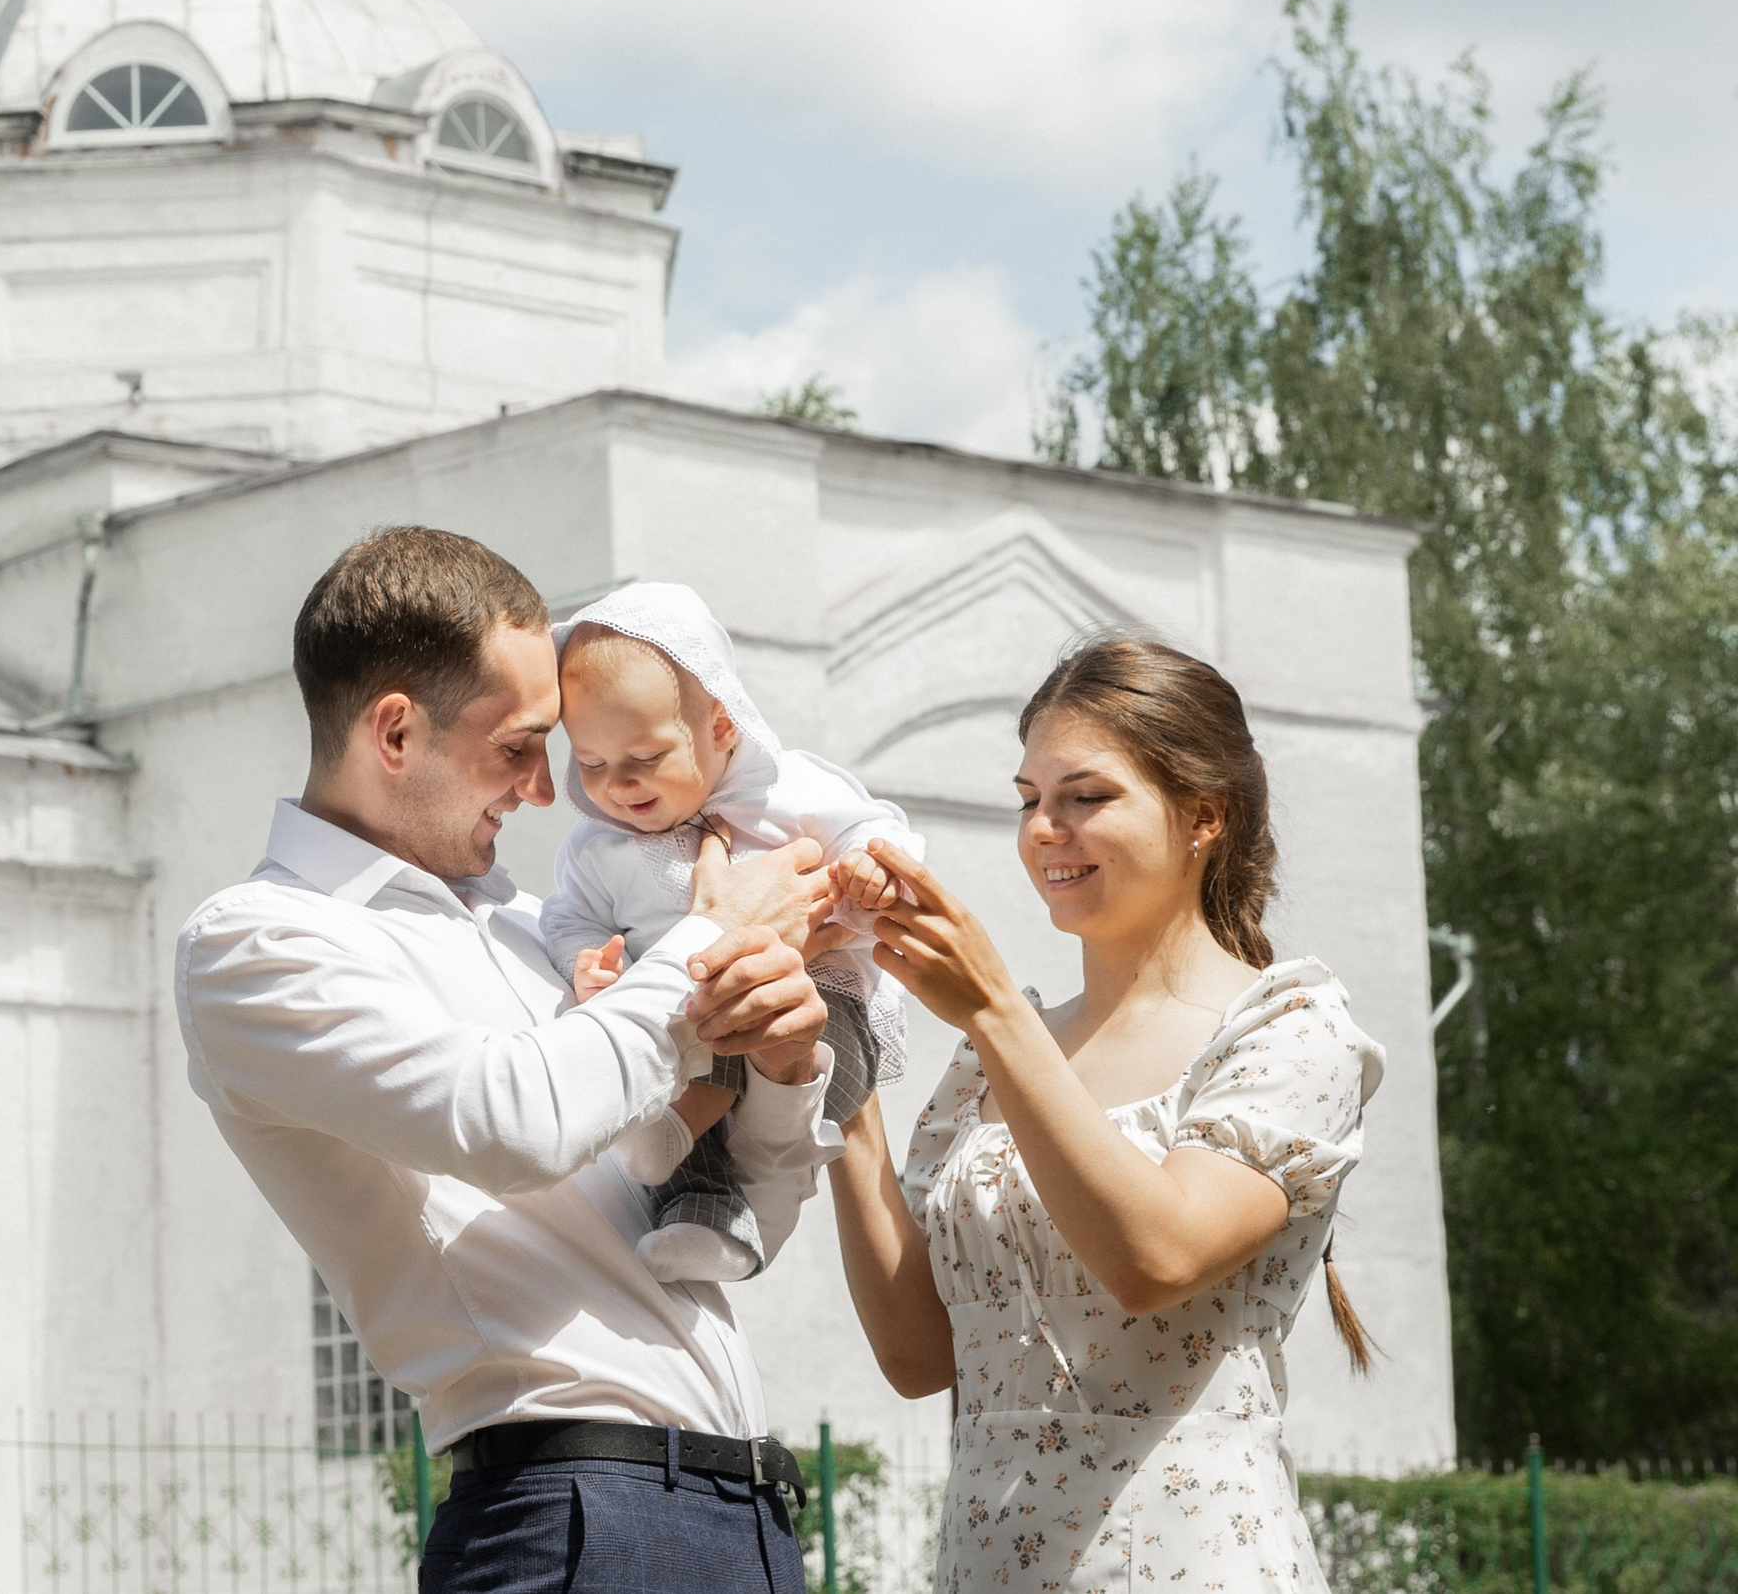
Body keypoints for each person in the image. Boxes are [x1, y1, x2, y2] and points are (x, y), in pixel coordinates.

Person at [177, 528, 847, 1593]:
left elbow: (736, 1207)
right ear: (395, 731)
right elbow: (509, 1124)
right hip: (572, 1517)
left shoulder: (540, 929)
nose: (548, 790)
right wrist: (708, 944)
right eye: (520, 745)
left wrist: (779, 1056)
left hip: (737, 1518)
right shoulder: (258, 944)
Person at [826, 633, 1385, 1591]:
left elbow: (1153, 1258)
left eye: (1086, 797)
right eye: (1028, 801)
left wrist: (996, 1011)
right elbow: (918, 1355)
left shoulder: (1290, 1029)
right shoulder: (990, 1058)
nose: (1046, 827)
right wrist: (841, 1070)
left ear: (1205, 815)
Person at [539, 583, 922, 1285]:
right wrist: (586, 965)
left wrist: (870, 867)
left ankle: (676, 1128)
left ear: (721, 727)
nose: (618, 784)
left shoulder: (788, 792)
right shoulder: (597, 848)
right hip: (692, 1024)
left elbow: (879, 829)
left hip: (826, 1021)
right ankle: (709, 1221)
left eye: (645, 758)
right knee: (690, 1016)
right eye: (591, 764)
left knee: (722, 1006)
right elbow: (569, 919)